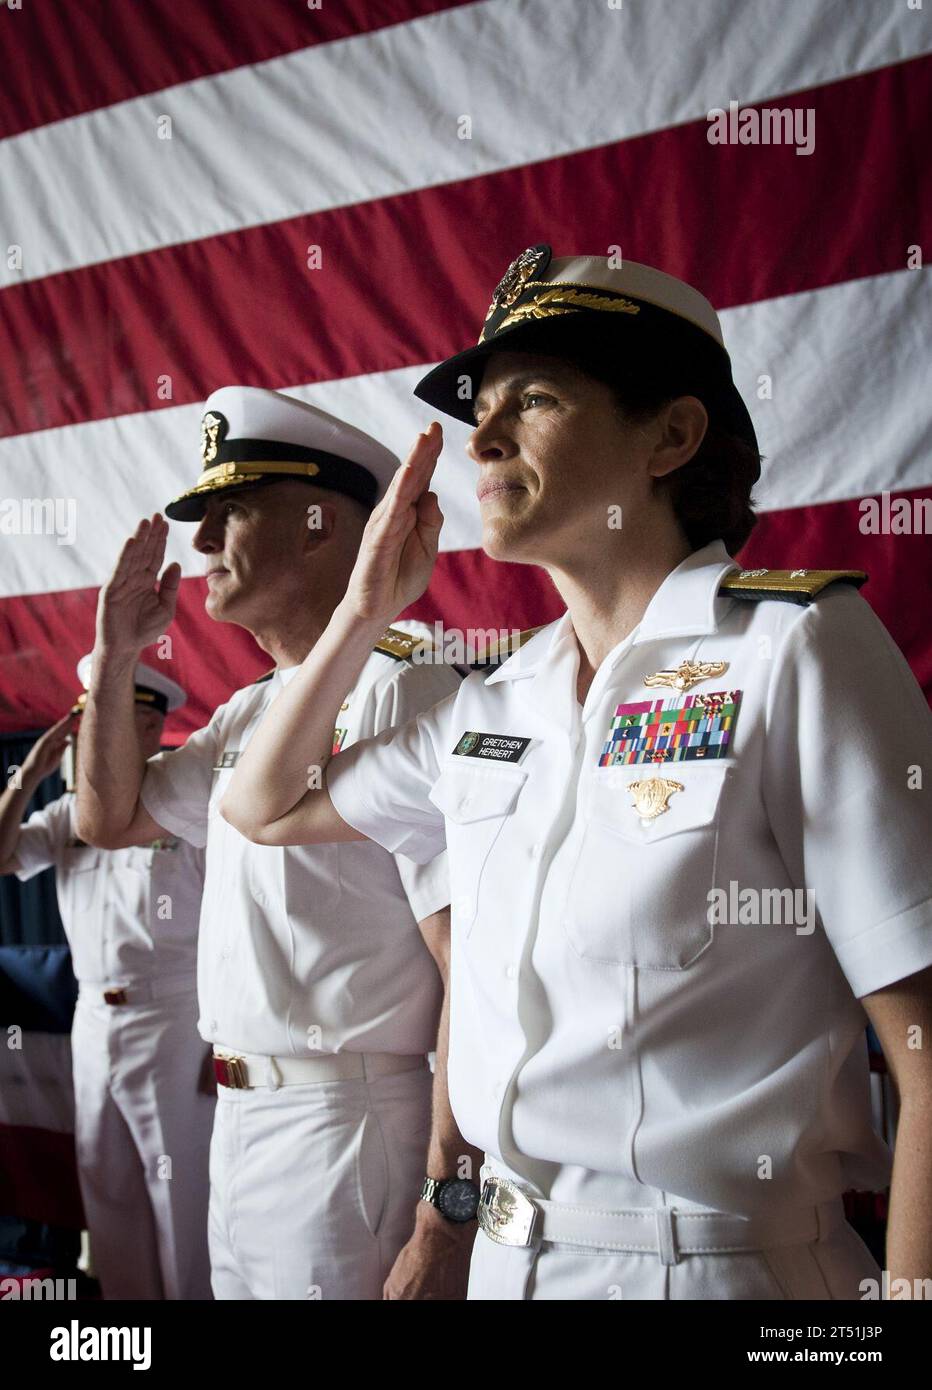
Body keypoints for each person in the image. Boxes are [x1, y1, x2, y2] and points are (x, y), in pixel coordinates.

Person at [219, 247, 932, 1301]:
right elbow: (258, 804)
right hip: (506, 1266)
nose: (484, 438)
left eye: (535, 398)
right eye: (481, 412)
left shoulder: (791, 649)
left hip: (719, 1274)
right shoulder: (492, 704)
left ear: (671, 436)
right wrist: (363, 613)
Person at [75, 387, 479, 1301]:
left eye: (231, 512)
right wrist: (117, 659)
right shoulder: (248, 712)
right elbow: (109, 818)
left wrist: (442, 1212)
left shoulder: (402, 692)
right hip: (240, 1126)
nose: (204, 543)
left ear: (320, 525)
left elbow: (473, 966)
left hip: (350, 1124)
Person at [0, 658, 211, 1299]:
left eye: (121, 721)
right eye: (94, 722)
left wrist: (220, 1036)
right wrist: (31, 773)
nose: (103, 736)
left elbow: (236, 923)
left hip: (177, 1020)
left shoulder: (187, 805)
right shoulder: (67, 816)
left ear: (151, 732)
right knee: (108, 1190)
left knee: (182, 1198)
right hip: (93, 1021)